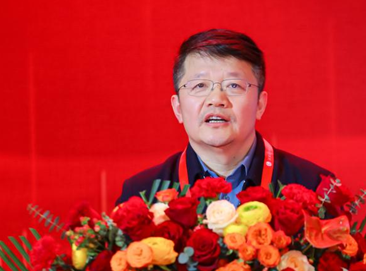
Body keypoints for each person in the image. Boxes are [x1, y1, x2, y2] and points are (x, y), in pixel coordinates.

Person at [116, 29, 334, 205]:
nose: (217, 99)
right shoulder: (141, 196)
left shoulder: (315, 189)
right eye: (199, 85)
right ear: (178, 108)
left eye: (234, 85)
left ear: (260, 104)